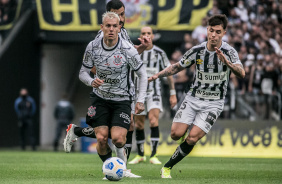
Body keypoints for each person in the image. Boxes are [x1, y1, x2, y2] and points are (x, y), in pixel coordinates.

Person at [148, 14, 245, 178]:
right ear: (207, 30)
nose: (214, 35)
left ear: (224, 33)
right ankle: (182, 137)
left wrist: (227, 63)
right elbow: (177, 67)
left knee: (192, 138)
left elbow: (242, 73)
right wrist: (158, 75)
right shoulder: (197, 50)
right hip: (193, 99)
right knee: (175, 135)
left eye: (218, 32)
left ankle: (167, 167)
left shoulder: (229, 51)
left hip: (214, 103)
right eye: (211, 30)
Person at [63, 0, 149, 165]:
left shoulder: (124, 36)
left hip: (123, 95)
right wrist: (92, 81)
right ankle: (114, 167)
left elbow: (131, 62)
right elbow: (88, 70)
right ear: (103, 25)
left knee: (120, 134)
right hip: (101, 96)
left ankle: (119, 166)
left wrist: (140, 50)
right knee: (103, 137)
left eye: (121, 16)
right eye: (116, 17)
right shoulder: (95, 44)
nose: (119, 21)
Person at [128, 26, 177, 165]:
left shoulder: (159, 53)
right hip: (138, 93)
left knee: (154, 121)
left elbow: (169, 71)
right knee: (139, 123)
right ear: (140, 36)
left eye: (148, 33)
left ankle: (154, 155)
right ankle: (140, 154)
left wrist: (172, 93)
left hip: (154, 92)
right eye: (143, 33)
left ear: (152, 36)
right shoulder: (135, 52)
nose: (146, 35)